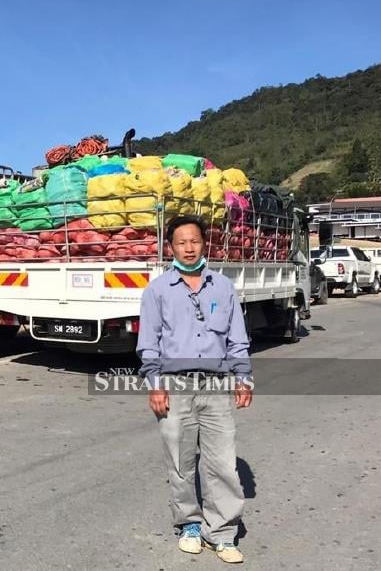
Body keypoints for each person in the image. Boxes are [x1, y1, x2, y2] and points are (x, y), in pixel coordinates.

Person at [137, 214, 253, 564]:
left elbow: (237, 339)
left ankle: (222, 532)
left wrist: (243, 377)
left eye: (195, 241)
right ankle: (189, 524)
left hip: (216, 386)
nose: (189, 247)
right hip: (174, 386)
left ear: (206, 244)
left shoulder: (223, 287)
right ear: (169, 247)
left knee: (223, 462)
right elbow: (149, 344)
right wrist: (155, 386)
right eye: (181, 242)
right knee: (180, 460)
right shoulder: (157, 290)